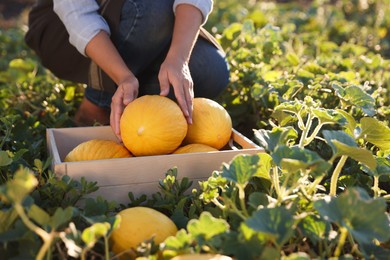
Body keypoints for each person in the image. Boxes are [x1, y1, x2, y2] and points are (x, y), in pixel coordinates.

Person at [25, 0, 230, 140]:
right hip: (64, 33)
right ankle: (97, 105)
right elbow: (78, 16)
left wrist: (178, 60)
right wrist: (122, 76)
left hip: (147, 22)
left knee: (210, 69)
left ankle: (133, 109)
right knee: (155, 7)